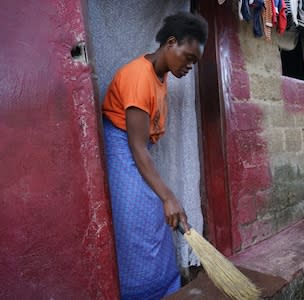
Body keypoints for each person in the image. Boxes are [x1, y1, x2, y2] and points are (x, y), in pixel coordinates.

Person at [101, 12, 208, 299]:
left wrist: (169, 199)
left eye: (194, 63)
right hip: (123, 151)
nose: (189, 67)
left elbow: (143, 145)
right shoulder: (139, 76)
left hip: (137, 153)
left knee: (160, 222)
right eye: (188, 57)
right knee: (140, 230)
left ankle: (165, 290)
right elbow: (136, 145)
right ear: (171, 43)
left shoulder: (159, 77)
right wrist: (168, 197)